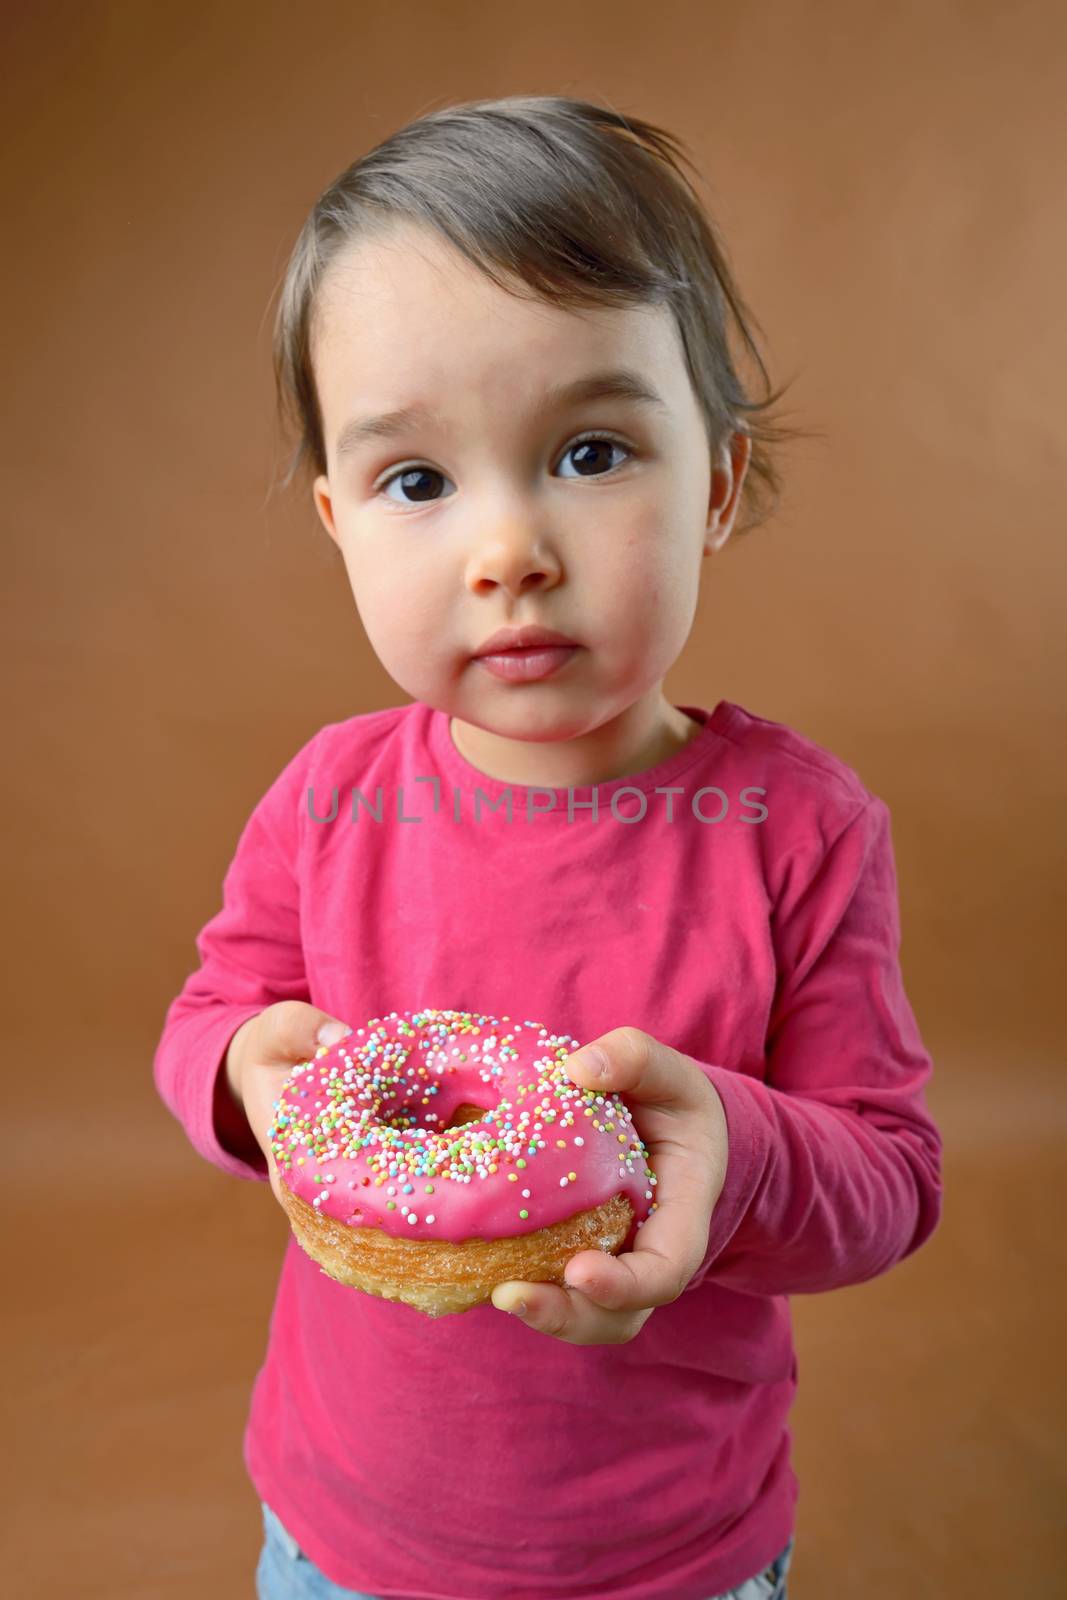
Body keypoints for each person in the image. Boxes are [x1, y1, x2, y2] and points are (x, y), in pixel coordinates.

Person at [153, 94, 942, 1600]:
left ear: (715, 479)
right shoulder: (331, 802)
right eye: (418, 482)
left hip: (671, 1551)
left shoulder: (800, 831)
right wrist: (241, 1074)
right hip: (345, 1536)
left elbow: (892, 1179)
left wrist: (737, 1141)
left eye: (589, 452)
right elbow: (209, 1019)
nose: (505, 549)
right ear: (337, 521)